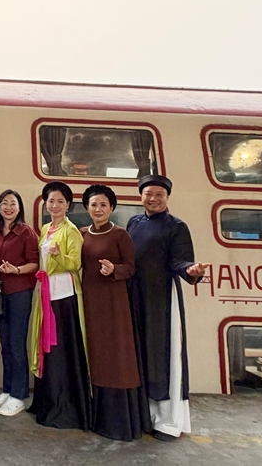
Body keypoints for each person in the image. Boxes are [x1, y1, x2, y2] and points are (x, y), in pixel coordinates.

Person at [126, 174, 208, 441]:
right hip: (135, 297)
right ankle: (146, 416)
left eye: (159, 195)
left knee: (163, 356)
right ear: (141, 196)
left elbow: (182, 261)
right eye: (148, 194)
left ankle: (169, 421)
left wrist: (191, 270)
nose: (153, 199)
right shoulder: (134, 223)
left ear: (167, 198)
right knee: (141, 355)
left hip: (161, 300)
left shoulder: (177, 226)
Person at [80, 184, 150, 441]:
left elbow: (131, 267)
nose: (98, 209)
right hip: (88, 302)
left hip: (114, 303)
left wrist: (114, 270)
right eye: (93, 205)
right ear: (86, 208)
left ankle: (119, 423)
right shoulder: (81, 234)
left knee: (117, 355)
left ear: (111, 208)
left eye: (103, 205)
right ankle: (96, 417)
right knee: (95, 355)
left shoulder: (121, 235)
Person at [27, 181, 89, 430]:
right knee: (48, 351)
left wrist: (57, 255)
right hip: (46, 294)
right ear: (45, 204)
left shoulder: (71, 230)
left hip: (64, 298)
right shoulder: (46, 228)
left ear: (68, 205)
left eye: (60, 201)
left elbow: (75, 263)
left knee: (61, 351)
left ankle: (64, 408)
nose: (55, 205)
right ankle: (47, 402)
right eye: (51, 201)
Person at [0, 189, 38, 417]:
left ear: (19, 207)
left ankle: (19, 395)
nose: (8, 207)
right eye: (4, 203)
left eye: (13, 203)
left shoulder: (26, 232)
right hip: (1, 292)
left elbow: (35, 263)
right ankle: (7, 390)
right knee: (5, 344)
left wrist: (16, 270)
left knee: (17, 344)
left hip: (20, 292)